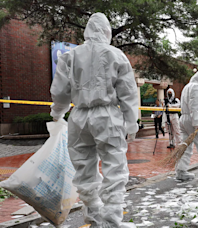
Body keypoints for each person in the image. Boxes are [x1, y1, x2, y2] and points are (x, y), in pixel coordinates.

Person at [50, 13, 138, 228]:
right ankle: (112, 220)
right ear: (107, 31)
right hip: (107, 116)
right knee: (114, 167)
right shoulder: (115, 54)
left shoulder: (69, 56)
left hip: (78, 117)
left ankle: (94, 217)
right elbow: (128, 92)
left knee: (83, 168)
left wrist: (57, 113)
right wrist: (131, 121)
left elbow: (60, 92)